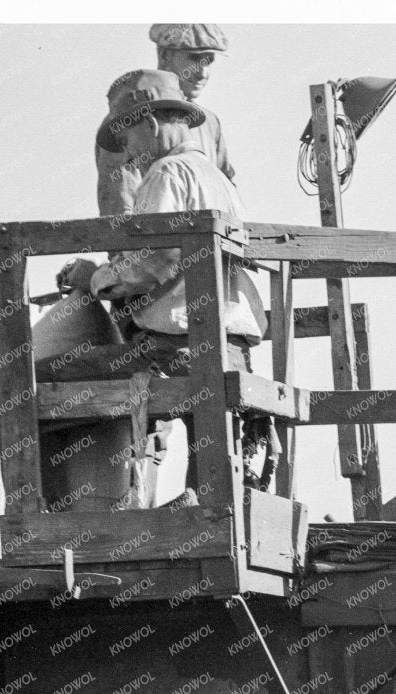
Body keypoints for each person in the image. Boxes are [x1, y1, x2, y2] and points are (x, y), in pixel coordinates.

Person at [52, 70, 272, 488]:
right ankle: (207, 521)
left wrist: (93, 278)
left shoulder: (166, 173)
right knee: (211, 462)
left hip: (177, 350)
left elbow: (155, 262)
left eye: (128, 141)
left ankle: (85, 514)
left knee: (36, 380)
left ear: (149, 125)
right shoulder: (218, 180)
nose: (129, 156)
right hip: (232, 350)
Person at [97, 24, 234, 216]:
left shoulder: (210, 123)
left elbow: (225, 198)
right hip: (151, 238)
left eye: (209, 61)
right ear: (163, 55)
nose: (203, 72)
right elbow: (119, 210)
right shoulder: (130, 120)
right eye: (194, 58)